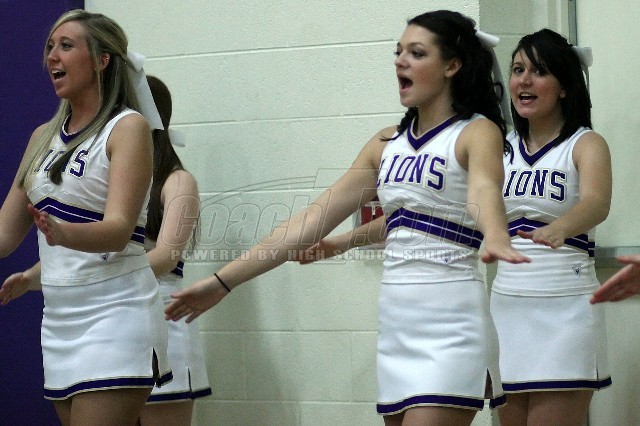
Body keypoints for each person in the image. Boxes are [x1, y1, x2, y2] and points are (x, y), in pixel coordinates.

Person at [165, 10, 529, 426]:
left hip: (453, 323)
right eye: (398, 52)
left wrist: (495, 234)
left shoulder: (476, 132)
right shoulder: (384, 143)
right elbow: (312, 219)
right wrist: (223, 281)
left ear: (452, 66)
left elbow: (483, 190)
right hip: (396, 325)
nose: (400, 61)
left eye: (416, 53)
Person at [0, 75, 212, 425]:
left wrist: (107, 273)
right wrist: (34, 276)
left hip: (154, 308)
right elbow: (79, 250)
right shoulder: (84, 158)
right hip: (84, 311)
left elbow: (167, 254)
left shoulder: (177, 180)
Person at [488, 29, 612, 426]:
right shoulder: (499, 148)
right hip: (507, 305)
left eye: (539, 71)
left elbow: (596, 202)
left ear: (564, 86)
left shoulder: (586, 143)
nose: (524, 80)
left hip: (565, 307)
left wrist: (559, 228)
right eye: (517, 69)